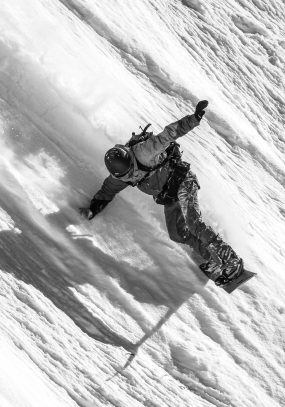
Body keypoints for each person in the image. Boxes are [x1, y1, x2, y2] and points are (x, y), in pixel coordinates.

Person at [79, 100, 252, 292]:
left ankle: (231, 260)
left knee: (193, 222)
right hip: (169, 195)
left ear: (129, 157)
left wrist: (193, 119)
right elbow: (106, 191)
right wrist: (92, 209)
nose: (131, 175)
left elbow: (169, 133)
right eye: (126, 175)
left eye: (131, 169)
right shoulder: (119, 178)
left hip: (183, 181)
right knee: (177, 233)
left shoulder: (144, 152)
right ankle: (211, 259)